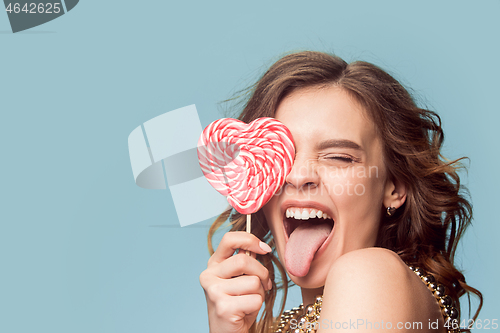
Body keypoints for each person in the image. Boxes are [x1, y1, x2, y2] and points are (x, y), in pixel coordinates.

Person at [199, 51, 482, 333]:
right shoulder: (271, 326)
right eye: (281, 154)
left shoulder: (371, 274)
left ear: (394, 187)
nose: (298, 176)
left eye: (339, 157)